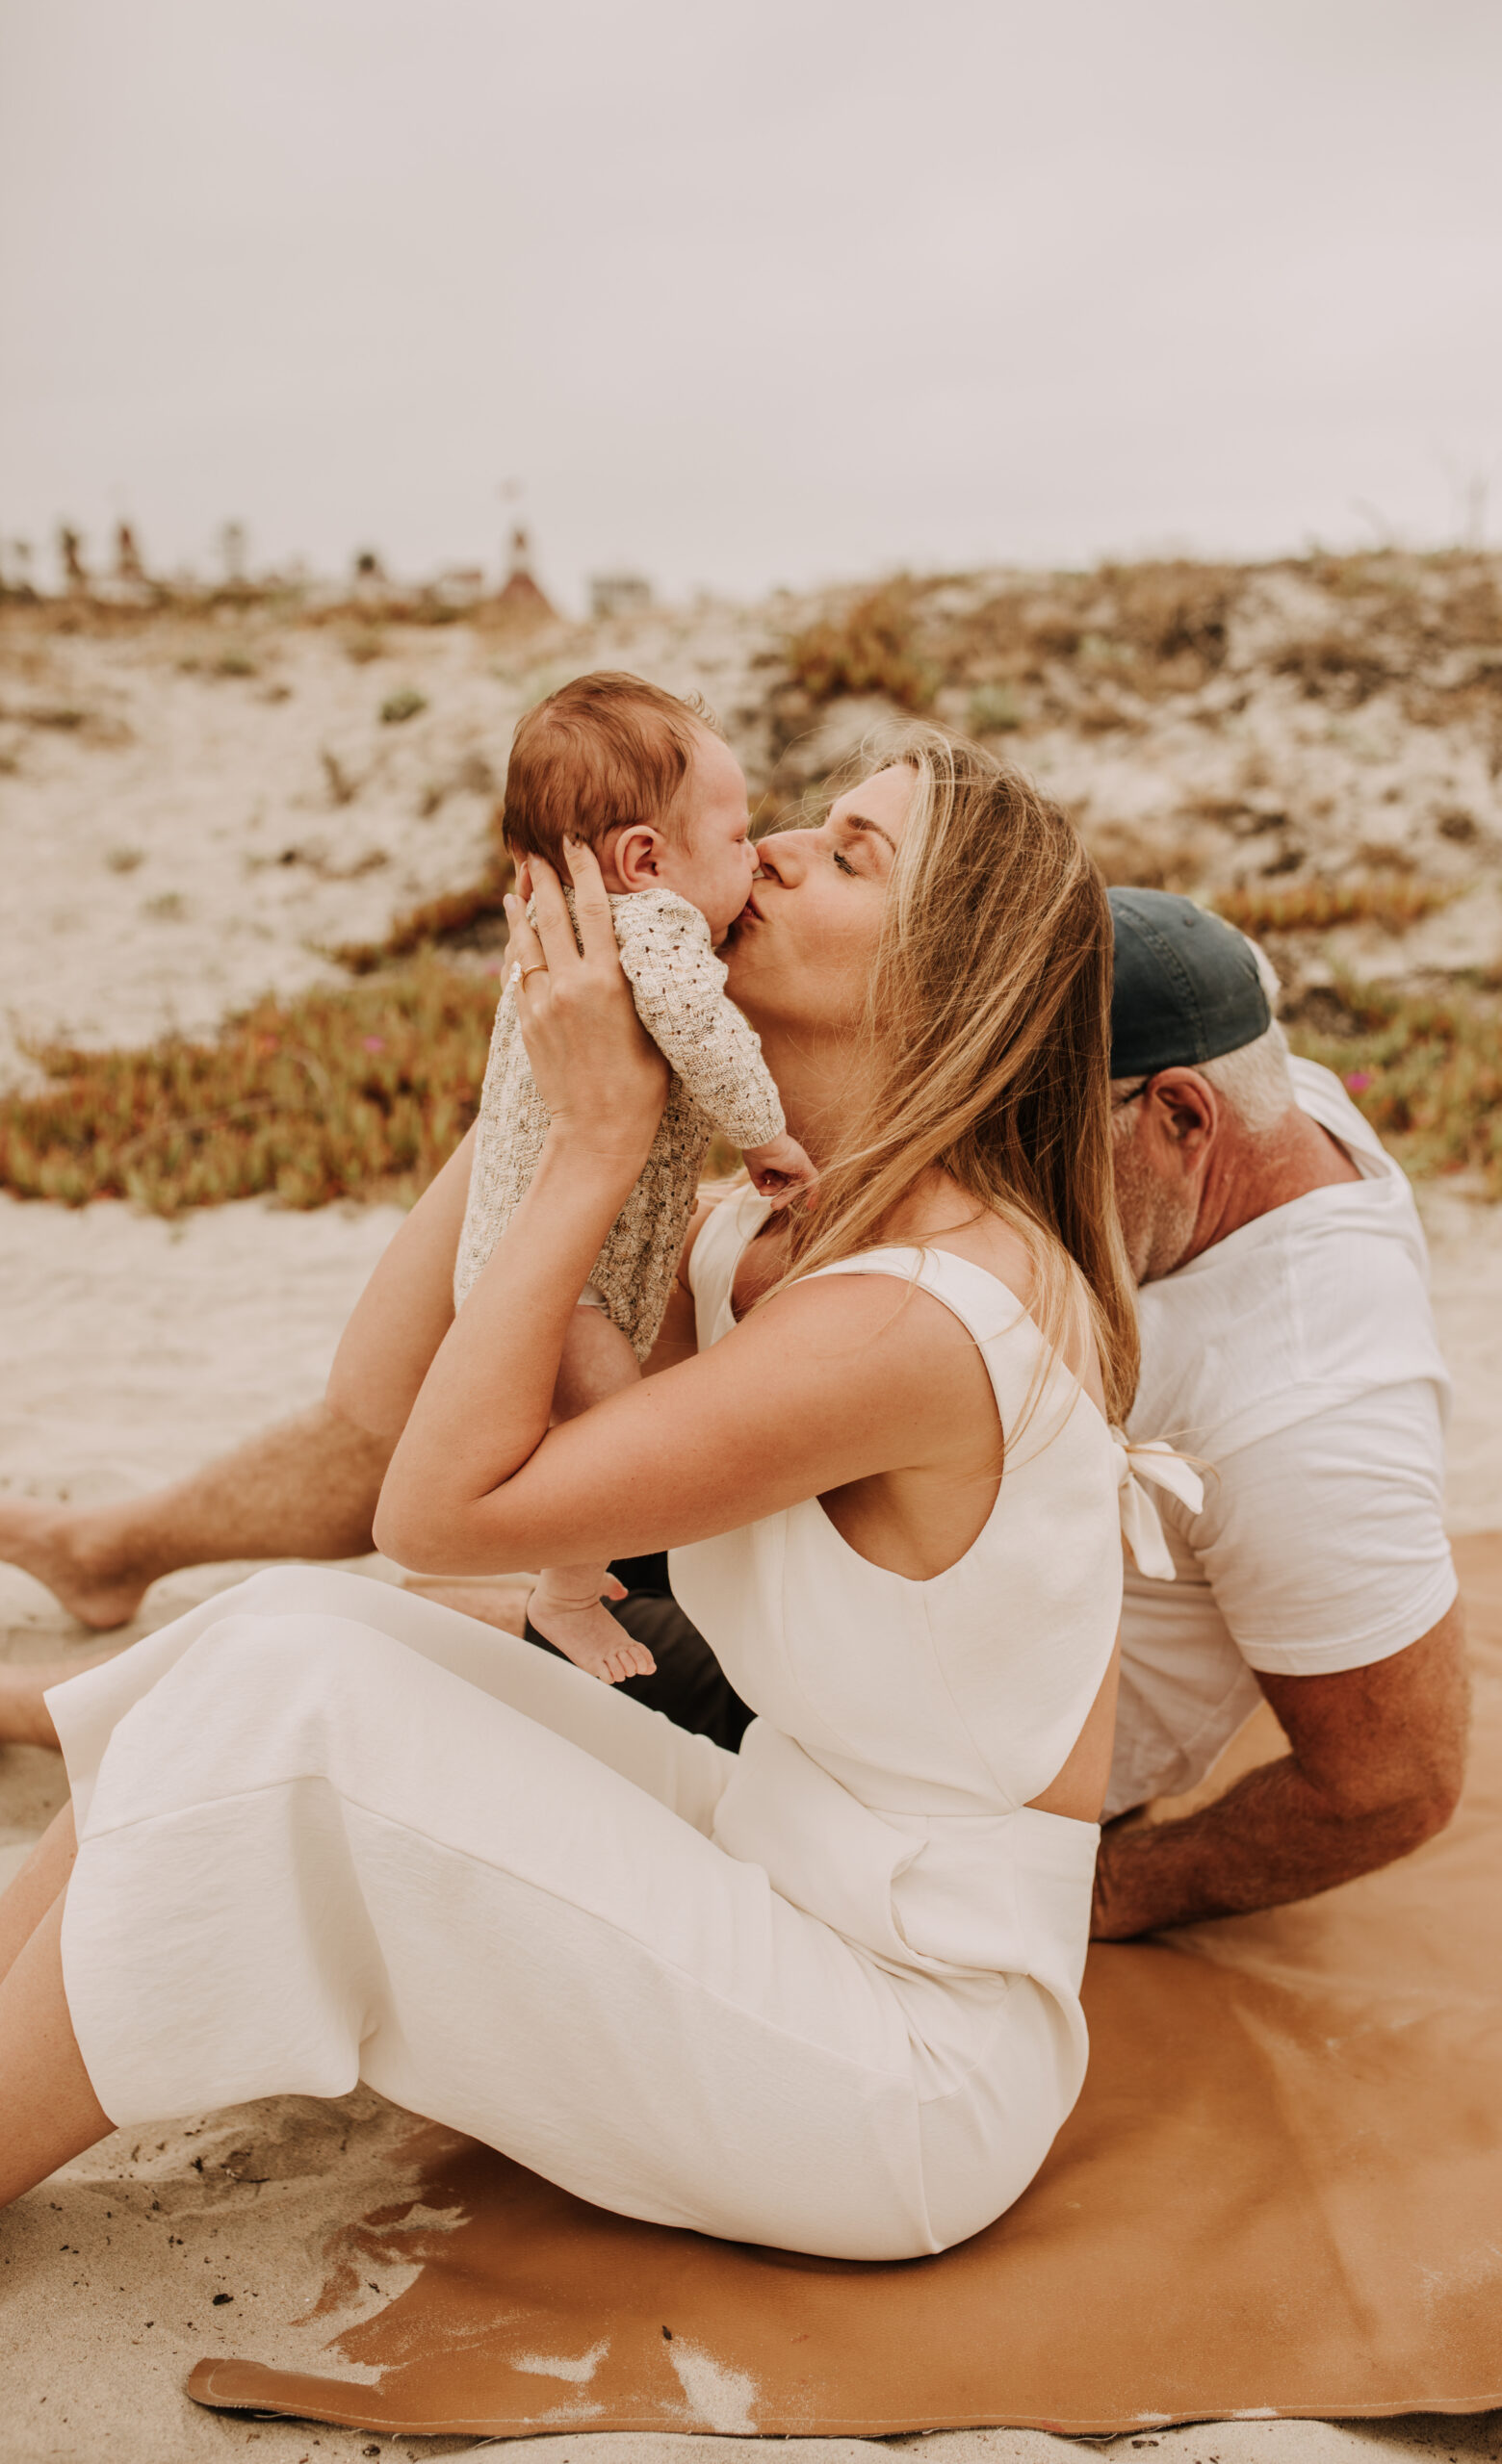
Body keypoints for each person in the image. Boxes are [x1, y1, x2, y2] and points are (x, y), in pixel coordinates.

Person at [0, 732, 1196, 2257]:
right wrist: (542, 1058)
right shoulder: (780, 1232)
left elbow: (438, 1515)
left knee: (297, 1721)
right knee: (280, 1631)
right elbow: (384, 1403)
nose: (766, 850)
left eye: (846, 855)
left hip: (904, 2054)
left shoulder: (925, 1315)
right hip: (779, 1850)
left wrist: (592, 1145)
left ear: (950, 976)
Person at [0, 804, 1469, 1942]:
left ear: (1183, 1122)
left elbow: (1393, 1781)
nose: (986, 1147)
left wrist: (1089, 1897)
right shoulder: (1237, 1093)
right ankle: (117, 1548)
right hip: (851, 1542)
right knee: (509, 1403)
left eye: (1024, 1120)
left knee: (423, 1607)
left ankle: (47, 1704)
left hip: (893, 1728)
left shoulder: (1306, 1400)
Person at [453, 671, 813, 1682]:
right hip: (564, 1276)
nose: (761, 852)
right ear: (645, 859)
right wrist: (764, 1134)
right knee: (616, 1427)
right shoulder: (651, 928)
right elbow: (705, 1032)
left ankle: (576, 1578)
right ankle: (567, 1590)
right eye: (741, 836)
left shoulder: (576, 929)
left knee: (596, 1420)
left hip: (545, 1256)